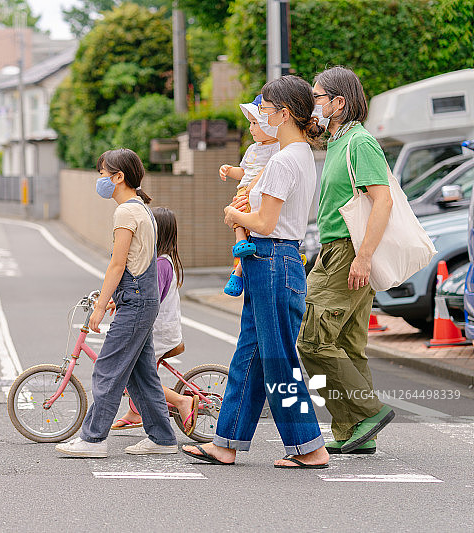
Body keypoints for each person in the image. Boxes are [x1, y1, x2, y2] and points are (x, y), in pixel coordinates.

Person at [182, 75, 329, 468]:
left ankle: (310, 447)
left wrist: (233, 213)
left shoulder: (283, 160)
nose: (261, 115)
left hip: (271, 258)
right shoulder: (299, 155)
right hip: (275, 261)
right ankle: (225, 444)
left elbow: (264, 222)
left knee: (278, 358)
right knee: (251, 355)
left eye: (265, 109)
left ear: (283, 114)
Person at [296, 66, 394, 455]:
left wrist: (364, 257)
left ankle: (367, 412)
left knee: (312, 340)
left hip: (348, 251)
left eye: (318, 97)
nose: (313, 104)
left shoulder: (360, 142)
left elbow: (382, 200)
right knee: (348, 343)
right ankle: (354, 428)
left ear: (339, 102)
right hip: (339, 250)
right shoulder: (337, 141)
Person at [56, 148, 179, 458]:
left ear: (118, 177)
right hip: (141, 298)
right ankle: (162, 438)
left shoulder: (126, 212)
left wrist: (101, 305)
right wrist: (118, 298)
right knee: (141, 375)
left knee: (107, 370)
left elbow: (118, 264)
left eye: (102, 174)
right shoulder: (143, 209)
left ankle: (93, 439)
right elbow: (140, 262)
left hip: (136, 301)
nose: (100, 180)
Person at [110, 207, 199, 435]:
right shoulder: (163, 261)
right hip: (159, 330)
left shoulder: (160, 264)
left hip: (159, 333)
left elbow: (149, 299)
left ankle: (181, 401)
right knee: (134, 370)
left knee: (136, 374)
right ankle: (135, 412)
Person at [220, 95, 280, 297]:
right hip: (243, 189)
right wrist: (229, 171)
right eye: (250, 123)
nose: (251, 128)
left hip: (260, 192)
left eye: (255, 123)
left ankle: (237, 272)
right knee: (238, 213)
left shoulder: (278, 148)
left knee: (243, 217)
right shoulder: (252, 149)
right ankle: (239, 247)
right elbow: (243, 172)